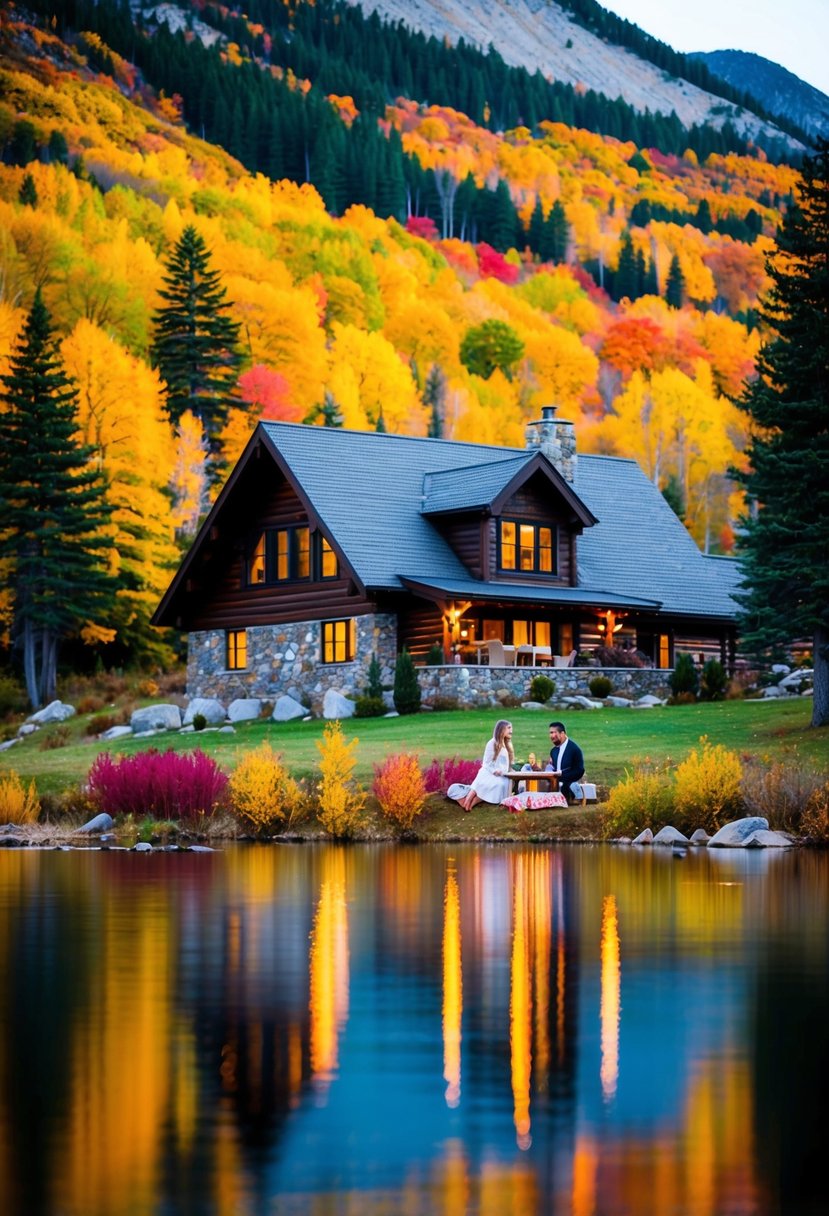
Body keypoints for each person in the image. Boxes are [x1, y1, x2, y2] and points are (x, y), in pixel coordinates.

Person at [459, 719, 514, 811]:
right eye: (509, 728)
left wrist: (510, 771)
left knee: (505, 783)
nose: (511, 730)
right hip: (489, 772)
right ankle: (467, 801)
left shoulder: (507, 744)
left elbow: (506, 764)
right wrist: (494, 771)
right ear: (501, 729)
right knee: (486, 784)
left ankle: (472, 802)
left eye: (511, 728)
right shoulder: (492, 743)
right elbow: (486, 763)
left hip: (502, 774)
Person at [547, 720, 585, 805]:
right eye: (550, 733)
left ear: (562, 733)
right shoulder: (553, 751)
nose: (552, 736)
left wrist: (563, 777)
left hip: (570, 780)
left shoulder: (574, 749)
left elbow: (579, 770)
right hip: (557, 780)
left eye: (554, 732)